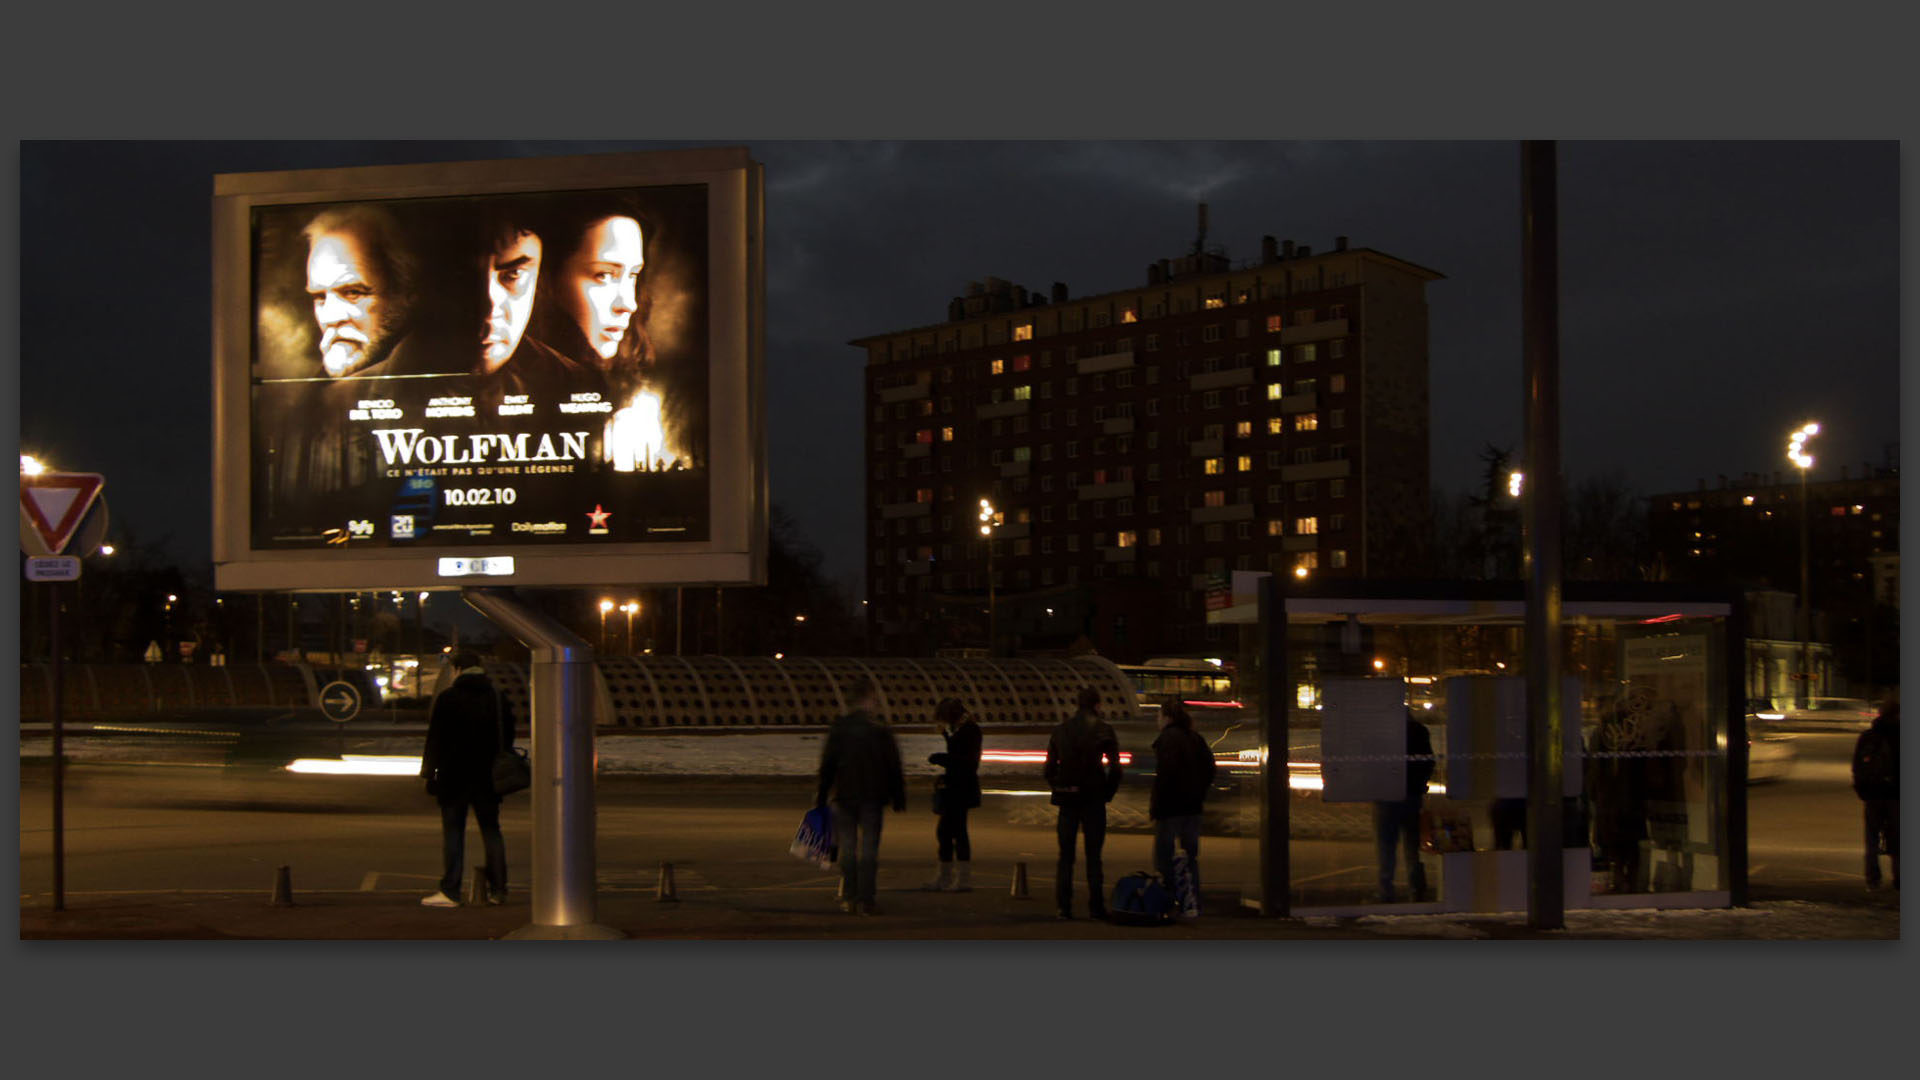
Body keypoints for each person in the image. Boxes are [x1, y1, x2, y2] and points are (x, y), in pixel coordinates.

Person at [471, 213, 609, 413]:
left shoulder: (574, 382)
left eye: (514, 274)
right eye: (466, 277)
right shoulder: (409, 368)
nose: (491, 308)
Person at [418, 652, 511, 907]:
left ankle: (450, 891)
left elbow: (435, 739)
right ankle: (498, 890)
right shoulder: (497, 698)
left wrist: (429, 773)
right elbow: (508, 737)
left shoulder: (448, 698)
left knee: (453, 834)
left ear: (458, 669)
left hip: (453, 776)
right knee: (492, 832)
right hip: (488, 777)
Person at [815, 678, 906, 915]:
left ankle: (849, 897)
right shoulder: (880, 730)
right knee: (869, 849)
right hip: (873, 796)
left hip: (844, 795)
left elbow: (828, 764)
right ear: (868, 699)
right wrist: (898, 796)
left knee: (847, 847)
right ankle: (867, 899)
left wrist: (823, 793)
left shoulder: (840, 728)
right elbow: (893, 765)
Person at [1044, 686, 1124, 920]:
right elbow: (1116, 768)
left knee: (1066, 856)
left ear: (1077, 705)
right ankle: (1096, 906)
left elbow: (1049, 767)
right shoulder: (1104, 731)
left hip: (1068, 799)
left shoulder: (1061, 730)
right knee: (1094, 855)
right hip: (1093, 798)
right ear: (1097, 705)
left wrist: (1058, 787)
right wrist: (1107, 792)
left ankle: (1064, 906)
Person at [1149, 700, 1215, 916]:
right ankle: (1192, 901)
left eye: (1159, 716)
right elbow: (1209, 768)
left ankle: (1168, 901)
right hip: (1193, 806)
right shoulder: (1195, 738)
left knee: (1164, 856)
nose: (1157, 721)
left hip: (1171, 807)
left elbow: (1165, 775)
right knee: (1190, 857)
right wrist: (1198, 791)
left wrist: (1157, 805)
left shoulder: (1167, 739)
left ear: (1167, 717)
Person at [1371, 712, 1435, 903]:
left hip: (1387, 795)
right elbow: (1427, 762)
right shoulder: (1419, 731)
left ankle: (1386, 890)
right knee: (1412, 846)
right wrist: (1419, 784)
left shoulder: (1383, 732)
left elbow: (1373, 763)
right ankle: (1416, 888)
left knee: (1386, 846)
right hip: (1412, 796)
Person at [922, 697, 982, 892]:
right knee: (946, 832)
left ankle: (960, 879)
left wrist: (942, 759)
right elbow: (958, 752)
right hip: (955, 786)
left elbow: (966, 761)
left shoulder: (970, 731)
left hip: (961, 788)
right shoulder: (962, 730)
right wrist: (946, 738)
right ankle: (946, 876)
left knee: (956, 832)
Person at [1851, 700, 1899, 891]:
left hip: (1873, 793)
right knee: (1899, 838)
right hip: (1897, 794)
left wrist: (1862, 790)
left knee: (1871, 837)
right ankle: (1900, 877)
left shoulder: (1868, 736)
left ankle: (1873, 879)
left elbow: (1857, 765)